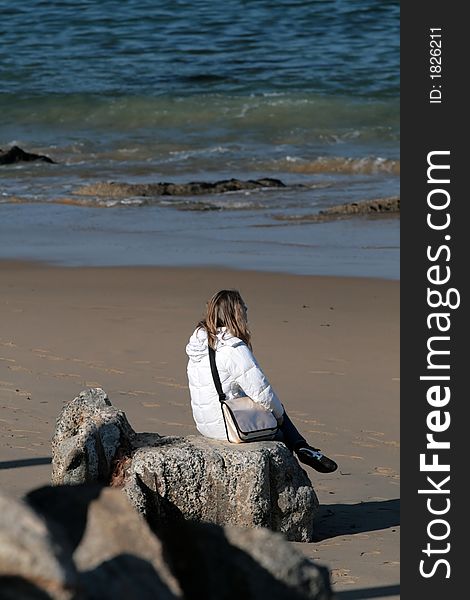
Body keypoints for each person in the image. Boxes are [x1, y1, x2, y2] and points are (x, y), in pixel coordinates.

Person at [185, 289, 337, 473]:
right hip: (229, 425)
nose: (247, 310)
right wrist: (279, 416)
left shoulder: (199, 346)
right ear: (236, 314)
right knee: (277, 422)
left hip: (205, 424)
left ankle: (303, 447)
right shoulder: (233, 348)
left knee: (270, 405)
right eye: (244, 307)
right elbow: (261, 391)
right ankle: (301, 448)